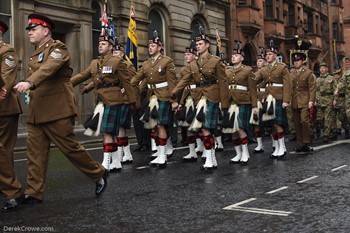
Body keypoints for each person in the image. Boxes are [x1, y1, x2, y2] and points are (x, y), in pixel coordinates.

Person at [13, 13, 107, 204]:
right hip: (37, 111)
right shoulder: (34, 52)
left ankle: (99, 173)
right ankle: (34, 192)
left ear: (46, 31)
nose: (30, 33)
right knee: (35, 153)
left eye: (34, 29)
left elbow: (48, 68)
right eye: (29, 30)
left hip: (57, 109)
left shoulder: (58, 48)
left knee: (70, 148)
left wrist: (29, 82)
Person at [72, 31, 136, 172]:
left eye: (103, 44)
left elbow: (127, 83)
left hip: (113, 99)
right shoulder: (94, 63)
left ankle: (106, 162)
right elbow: (83, 75)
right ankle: (116, 161)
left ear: (111, 46)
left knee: (107, 132)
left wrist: (132, 102)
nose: (100, 46)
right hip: (100, 100)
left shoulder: (117, 61)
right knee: (108, 133)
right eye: (99, 43)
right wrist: (67, 84)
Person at [170, 29, 230, 170]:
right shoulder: (193, 64)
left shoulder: (215, 61)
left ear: (207, 45)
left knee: (206, 128)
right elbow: (184, 80)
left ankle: (209, 157)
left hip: (212, 97)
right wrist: (174, 93)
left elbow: (223, 82)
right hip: (198, 98)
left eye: (201, 43)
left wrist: (224, 103)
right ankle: (211, 157)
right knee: (202, 129)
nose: (198, 46)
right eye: (197, 43)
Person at [131, 33, 177, 168]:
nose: (150, 48)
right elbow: (137, 78)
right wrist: (125, 87)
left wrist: (173, 100)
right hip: (151, 97)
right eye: (149, 45)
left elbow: (172, 82)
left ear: (160, 47)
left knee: (160, 125)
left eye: (153, 45)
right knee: (153, 126)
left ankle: (163, 156)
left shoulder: (167, 61)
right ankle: (159, 153)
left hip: (163, 96)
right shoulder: (146, 63)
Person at [0, 19, 24, 212]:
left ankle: (13, 192)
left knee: (4, 150)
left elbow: (6, 81)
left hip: (5, 108)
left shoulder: (6, 51)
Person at [255, 41, 292, 158]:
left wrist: (286, 100)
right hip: (267, 99)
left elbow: (287, 85)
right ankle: (277, 147)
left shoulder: (282, 68)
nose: (267, 56)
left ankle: (282, 147)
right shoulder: (263, 69)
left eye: (270, 54)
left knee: (277, 123)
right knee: (271, 125)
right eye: (266, 54)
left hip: (278, 97)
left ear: (275, 55)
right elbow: (254, 80)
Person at [225, 44, 258, 164]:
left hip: (243, 101)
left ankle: (245, 152)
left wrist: (255, 106)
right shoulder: (227, 71)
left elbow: (252, 89)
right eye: (233, 55)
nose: (233, 57)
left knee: (239, 127)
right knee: (232, 130)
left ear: (242, 58)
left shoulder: (247, 70)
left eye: (236, 55)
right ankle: (238, 154)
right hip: (230, 101)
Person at [290, 52, 316, 153]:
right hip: (294, 100)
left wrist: (311, 101)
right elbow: (289, 88)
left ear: (303, 61)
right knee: (296, 123)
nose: (296, 63)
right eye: (295, 61)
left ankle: (306, 142)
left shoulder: (308, 73)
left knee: (304, 121)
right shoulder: (291, 73)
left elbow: (312, 88)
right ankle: (300, 144)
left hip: (305, 100)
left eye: (298, 60)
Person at [315, 63, 337, 142]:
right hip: (320, 100)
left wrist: (335, 100)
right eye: (320, 68)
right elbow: (316, 91)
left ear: (327, 69)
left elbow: (335, 90)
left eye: (324, 68)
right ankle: (330, 130)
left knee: (327, 118)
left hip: (328, 99)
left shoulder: (331, 78)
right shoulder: (317, 80)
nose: (322, 69)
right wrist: (315, 100)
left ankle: (326, 135)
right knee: (320, 118)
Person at [333, 68, 350, 139]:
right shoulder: (347, 74)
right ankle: (347, 129)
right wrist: (337, 90)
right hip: (347, 99)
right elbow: (342, 83)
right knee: (343, 116)